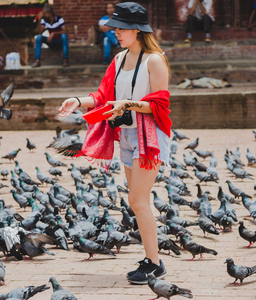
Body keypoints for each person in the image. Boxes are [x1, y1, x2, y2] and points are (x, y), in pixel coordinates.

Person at [58, 2, 171, 285]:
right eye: (115, 28)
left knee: (137, 199)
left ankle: (154, 263)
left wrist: (127, 104)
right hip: (127, 136)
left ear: (137, 30)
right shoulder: (119, 59)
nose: (116, 32)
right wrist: (78, 101)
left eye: (121, 28)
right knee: (138, 201)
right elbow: (101, 95)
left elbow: (160, 103)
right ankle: (152, 260)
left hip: (150, 137)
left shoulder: (155, 60)